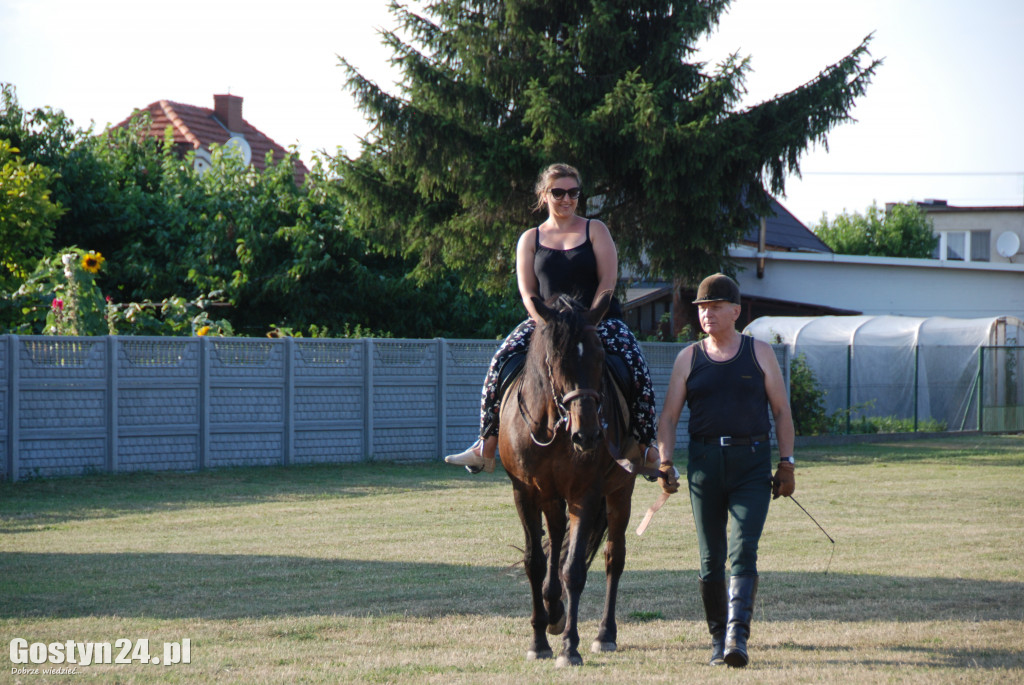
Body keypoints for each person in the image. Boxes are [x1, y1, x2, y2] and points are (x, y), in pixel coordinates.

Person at [445, 163, 659, 473]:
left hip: (597, 321)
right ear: (544, 195)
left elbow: (607, 284)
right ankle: (486, 443)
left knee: (636, 364)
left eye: (573, 192)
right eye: (558, 192)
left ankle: (646, 445)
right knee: (499, 362)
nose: (566, 199)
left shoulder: (595, 230)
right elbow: (528, 292)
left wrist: (588, 321)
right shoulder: (529, 239)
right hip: (546, 324)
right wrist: (548, 325)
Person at [656, 273, 795, 668]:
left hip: (752, 464)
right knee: (710, 556)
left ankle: (738, 637)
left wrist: (786, 463)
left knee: (743, 548)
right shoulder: (688, 358)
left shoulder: (760, 353)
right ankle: (718, 639)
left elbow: (782, 412)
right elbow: (668, 418)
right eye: (702, 309)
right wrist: (665, 461)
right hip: (704, 467)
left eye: (715, 308)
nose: (707, 315)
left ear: (736, 311)